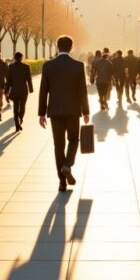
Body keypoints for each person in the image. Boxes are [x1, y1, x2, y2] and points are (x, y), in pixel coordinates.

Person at [38, 35, 90, 192]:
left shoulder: (48, 66)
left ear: (57, 46)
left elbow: (43, 91)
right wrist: (86, 111)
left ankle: (62, 182)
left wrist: (41, 113)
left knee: (58, 146)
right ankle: (67, 165)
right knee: (74, 140)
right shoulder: (78, 66)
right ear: (71, 47)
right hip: (73, 110)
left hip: (54, 111)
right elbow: (83, 91)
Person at [6, 52, 34, 131]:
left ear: (14, 58)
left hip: (14, 90)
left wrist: (6, 91)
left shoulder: (11, 67)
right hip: (23, 90)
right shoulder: (26, 67)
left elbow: (9, 80)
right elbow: (29, 79)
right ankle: (20, 118)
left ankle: (17, 124)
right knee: (22, 106)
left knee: (15, 108)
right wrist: (31, 89)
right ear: (21, 58)